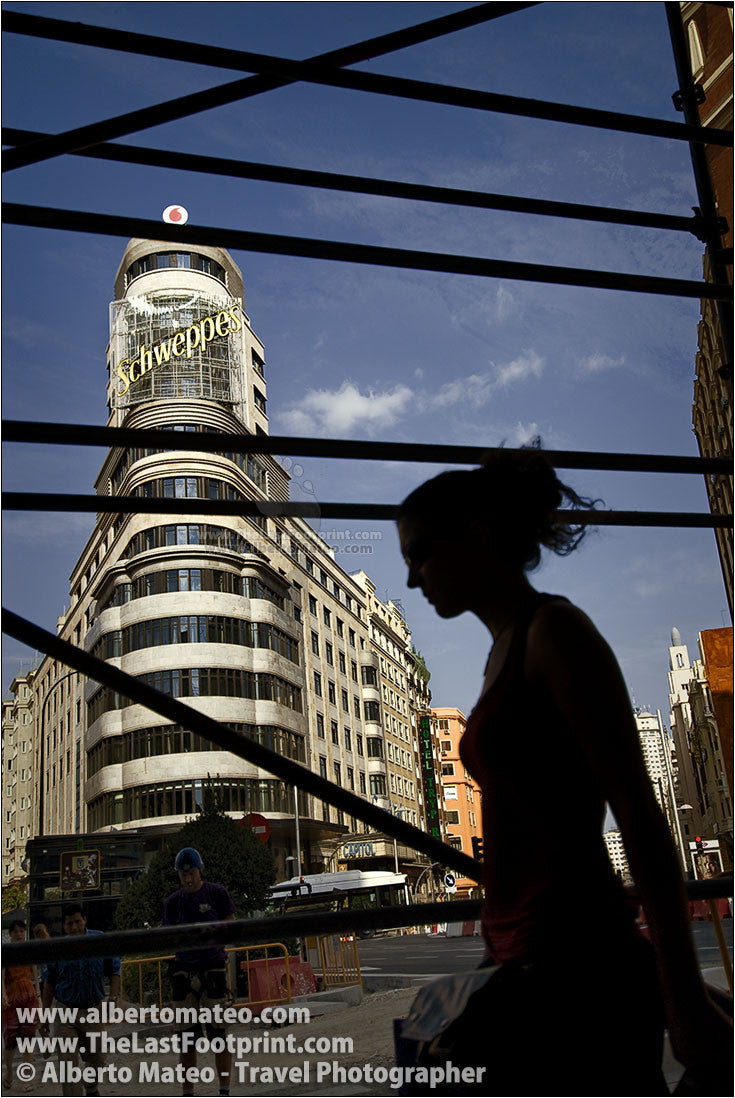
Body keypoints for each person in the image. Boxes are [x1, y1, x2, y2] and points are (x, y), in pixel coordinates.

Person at [397, 447, 732, 1096]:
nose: (412, 579)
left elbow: (636, 814)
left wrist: (683, 997)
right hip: (528, 962)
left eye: (419, 553)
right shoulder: (501, 651)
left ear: (476, 535)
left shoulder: (553, 632)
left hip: (580, 966)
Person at [162, 847, 236, 1097]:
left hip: (213, 967)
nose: (188, 878)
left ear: (200, 870)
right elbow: (167, 935)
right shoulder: (173, 903)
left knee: (220, 1033)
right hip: (184, 970)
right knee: (185, 1038)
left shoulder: (216, 893)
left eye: (191, 873)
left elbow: (230, 922)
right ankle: (188, 1092)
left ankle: (224, 1090)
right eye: (183, 875)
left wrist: (212, 932)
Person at [40, 903, 121, 1098]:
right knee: (68, 1065)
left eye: (77, 921)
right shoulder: (58, 948)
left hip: (92, 1010)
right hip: (65, 1011)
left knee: (98, 1059)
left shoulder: (99, 940)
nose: (74, 927)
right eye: (69, 923)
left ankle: (91, 1087)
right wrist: (44, 1015)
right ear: (64, 926)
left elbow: (114, 969)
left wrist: (114, 998)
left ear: (84, 920)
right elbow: (49, 982)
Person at [2, 919, 39, 1092]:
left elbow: (34, 971)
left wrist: (37, 992)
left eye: (21, 931)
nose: (18, 934)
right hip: (11, 1000)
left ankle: (27, 1078)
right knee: (10, 1042)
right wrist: (2, 995)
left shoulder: (29, 950)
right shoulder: (6, 952)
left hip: (29, 998)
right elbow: (1, 977)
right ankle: (9, 1071)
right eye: (15, 931)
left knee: (28, 1040)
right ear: (10, 934)